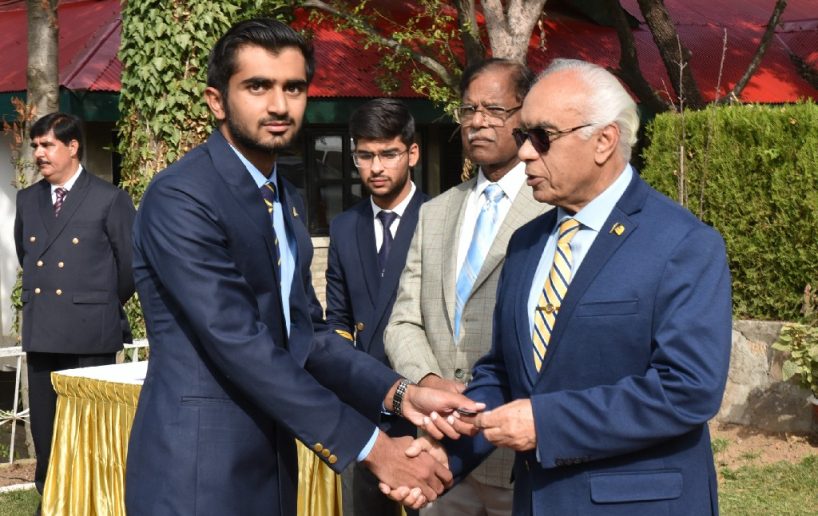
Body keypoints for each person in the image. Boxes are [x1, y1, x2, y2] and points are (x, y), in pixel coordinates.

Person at [125, 18, 480, 515]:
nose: (279, 104)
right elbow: (240, 343)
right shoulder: (182, 197)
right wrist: (374, 448)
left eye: (293, 87)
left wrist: (403, 394)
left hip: (270, 465)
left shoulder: (284, 197)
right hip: (197, 473)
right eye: (257, 86)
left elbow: (307, 337)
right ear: (216, 100)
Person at [396, 58, 733, 515]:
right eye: (523, 135)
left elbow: (688, 388)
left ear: (604, 141)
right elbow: (504, 372)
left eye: (542, 137)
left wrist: (546, 423)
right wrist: (450, 453)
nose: (525, 153)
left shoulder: (682, 243)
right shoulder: (526, 244)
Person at [384, 58, 550, 515]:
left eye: (495, 110)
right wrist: (428, 380)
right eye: (468, 109)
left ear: (525, 116)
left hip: (518, 457)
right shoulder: (435, 212)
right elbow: (402, 320)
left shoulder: (551, 211)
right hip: (439, 450)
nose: (478, 121)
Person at [14, 112, 136, 496]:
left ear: (72, 147)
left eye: (47, 145)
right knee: (46, 430)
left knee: (91, 432)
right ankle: (50, 500)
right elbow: (26, 255)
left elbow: (130, 267)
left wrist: (95, 304)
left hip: (91, 334)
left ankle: (93, 502)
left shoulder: (109, 198)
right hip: (43, 332)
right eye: (35, 145)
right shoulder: (27, 199)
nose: (39, 153)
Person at [325, 98, 429, 516]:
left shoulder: (439, 218)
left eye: (389, 154)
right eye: (365, 156)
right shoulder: (343, 227)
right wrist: (352, 381)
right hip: (364, 412)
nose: (376, 167)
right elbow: (338, 319)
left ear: (413, 153)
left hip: (426, 410)